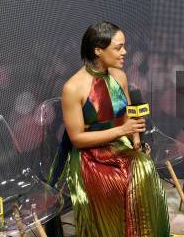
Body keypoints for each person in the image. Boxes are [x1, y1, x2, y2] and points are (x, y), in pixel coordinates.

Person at [48, 21, 170, 237]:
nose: (125, 52)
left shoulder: (120, 76)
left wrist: (136, 140)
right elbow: (77, 139)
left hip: (118, 145)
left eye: (124, 46)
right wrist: (122, 131)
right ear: (98, 50)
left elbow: (128, 114)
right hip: (89, 155)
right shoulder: (73, 88)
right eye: (118, 47)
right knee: (114, 183)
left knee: (144, 169)